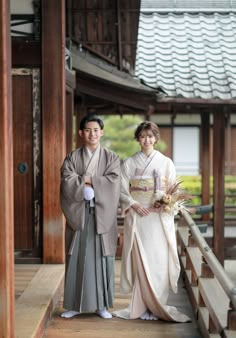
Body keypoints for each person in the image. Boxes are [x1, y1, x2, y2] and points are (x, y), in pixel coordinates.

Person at [112, 121, 190, 322]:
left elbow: (174, 190)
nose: (146, 140)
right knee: (141, 262)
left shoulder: (166, 163)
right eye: (143, 136)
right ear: (138, 138)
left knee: (158, 261)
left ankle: (157, 305)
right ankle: (141, 306)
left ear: (156, 138)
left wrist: (165, 203)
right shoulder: (129, 163)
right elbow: (121, 190)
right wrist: (133, 203)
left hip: (158, 218)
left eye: (150, 136)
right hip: (138, 217)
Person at [60, 113, 120, 319]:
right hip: (79, 213)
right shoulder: (73, 157)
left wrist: (88, 181)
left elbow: (113, 181)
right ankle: (74, 305)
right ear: (81, 133)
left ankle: (101, 305)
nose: (92, 134)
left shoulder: (111, 158)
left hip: (101, 214)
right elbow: (67, 178)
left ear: (101, 132)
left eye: (96, 130)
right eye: (88, 130)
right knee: (76, 257)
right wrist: (86, 185)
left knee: (102, 259)